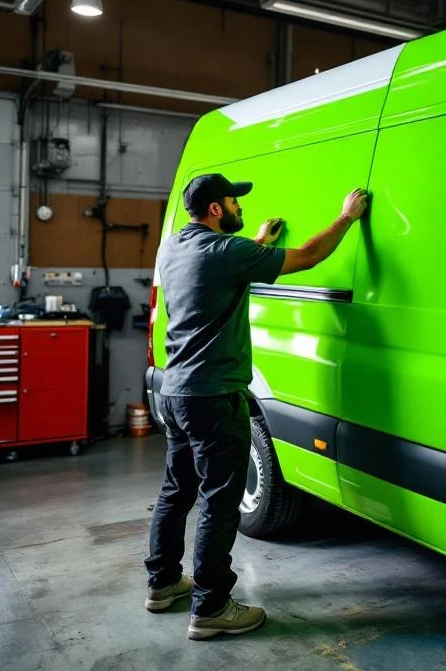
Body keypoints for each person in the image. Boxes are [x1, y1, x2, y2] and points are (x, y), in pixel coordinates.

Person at [143, 173, 368, 640]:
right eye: (233, 200)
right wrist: (346, 218)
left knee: (175, 492)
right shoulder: (227, 253)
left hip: (176, 391)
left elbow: (223, 261)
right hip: (214, 396)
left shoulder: (174, 247)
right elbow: (307, 257)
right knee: (220, 503)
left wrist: (258, 242)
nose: (240, 205)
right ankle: (211, 608)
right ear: (216, 210)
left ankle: (162, 584)